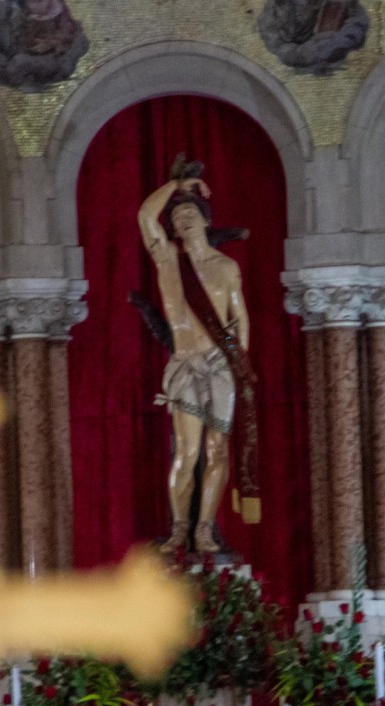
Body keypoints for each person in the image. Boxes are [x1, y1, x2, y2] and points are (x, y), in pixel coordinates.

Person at [137, 170, 252, 554]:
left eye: (190, 213)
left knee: (217, 449)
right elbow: (144, 216)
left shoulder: (226, 267)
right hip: (186, 364)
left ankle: (204, 529)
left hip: (220, 367)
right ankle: (179, 527)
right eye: (176, 217)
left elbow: (240, 319)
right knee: (187, 451)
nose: (182, 219)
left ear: (206, 219)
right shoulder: (168, 259)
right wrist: (176, 184)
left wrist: (241, 368)